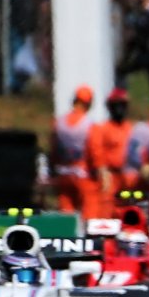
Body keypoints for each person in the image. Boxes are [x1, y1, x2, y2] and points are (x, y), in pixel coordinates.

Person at [86, 89, 135, 219]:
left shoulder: (130, 128)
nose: (119, 109)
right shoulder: (101, 128)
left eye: (122, 105)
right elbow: (96, 151)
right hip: (109, 176)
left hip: (128, 176)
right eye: (115, 105)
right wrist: (102, 171)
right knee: (106, 210)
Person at [50, 85, 96, 215]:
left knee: (66, 209)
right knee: (89, 208)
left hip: (63, 171)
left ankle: (67, 233)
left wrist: (53, 168)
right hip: (82, 172)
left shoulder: (59, 122)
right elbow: (94, 150)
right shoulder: (89, 124)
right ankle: (87, 233)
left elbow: (54, 148)